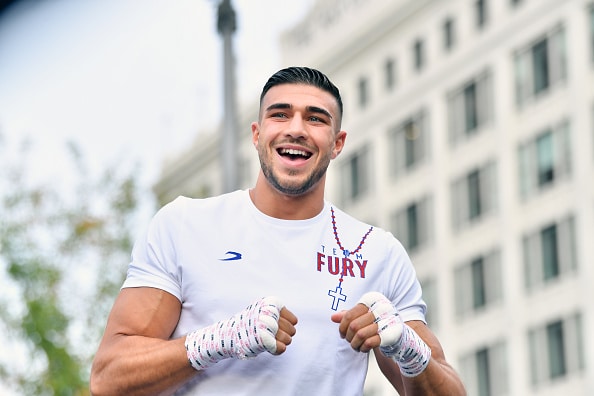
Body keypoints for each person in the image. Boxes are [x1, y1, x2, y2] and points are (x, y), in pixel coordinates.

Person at [90, 66, 466, 396]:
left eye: (316, 118)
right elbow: (108, 378)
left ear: (337, 144)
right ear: (256, 134)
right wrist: (215, 342)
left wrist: (406, 346)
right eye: (280, 114)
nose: (297, 129)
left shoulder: (377, 251)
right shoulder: (185, 225)